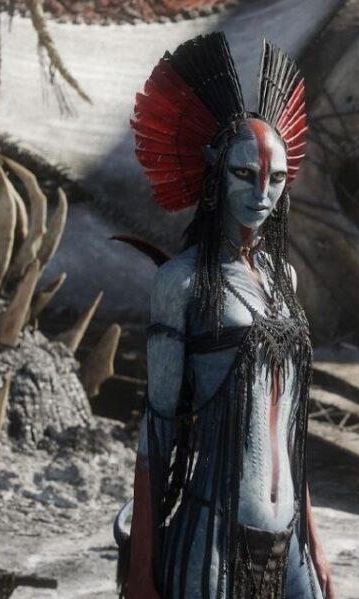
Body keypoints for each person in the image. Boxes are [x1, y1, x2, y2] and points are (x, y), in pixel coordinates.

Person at [118, 32, 332, 599]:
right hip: (209, 538)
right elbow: (156, 432)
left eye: (276, 178)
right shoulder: (181, 282)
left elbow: (292, 431)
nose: (262, 192)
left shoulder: (285, 281)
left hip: (291, 544)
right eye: (244, 173)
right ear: (215, 174)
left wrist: (316, 546)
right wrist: (140, 571)